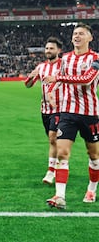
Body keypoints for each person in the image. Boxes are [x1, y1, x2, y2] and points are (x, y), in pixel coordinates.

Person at [44, 23, 99, 209]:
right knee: (63, 153)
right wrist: (51, 90)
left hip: (90, 114)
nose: (77, 36)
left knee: (94, 155)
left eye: (81, 34)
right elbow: (58, 78)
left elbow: (87, 80)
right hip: (67, 112)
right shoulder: (65, 58)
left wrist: (58, 79)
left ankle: (92, 188)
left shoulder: (96, 58)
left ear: (90, 38)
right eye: (75, 33)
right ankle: (59, 196)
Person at [24, 36, 63, 184]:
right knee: (52, 140)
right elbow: (28, 85)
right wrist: (30, 78)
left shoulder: (64, 65)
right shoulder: (41, 67)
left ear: (58, 50)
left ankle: (51, 172)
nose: (48, 51)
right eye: (47, 48)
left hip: (59, 108)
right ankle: (62, 162)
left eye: (51, 48)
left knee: (53, 137)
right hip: (44, 109)